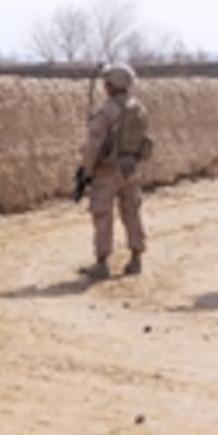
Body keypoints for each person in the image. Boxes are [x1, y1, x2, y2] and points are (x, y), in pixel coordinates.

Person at [77, 62, 151, 280]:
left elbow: (94, 144)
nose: (104, 86)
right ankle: (136, 258)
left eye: (107, 83)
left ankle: (102, 263)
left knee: (102, 215)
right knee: (132, 212)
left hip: (108, 171)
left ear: (113, 85)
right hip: (132, 169)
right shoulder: (139, 108)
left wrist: (86, 170)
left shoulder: (107, 111)